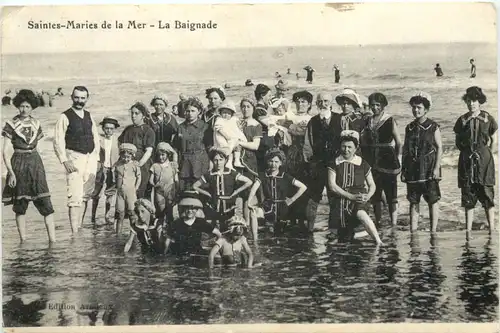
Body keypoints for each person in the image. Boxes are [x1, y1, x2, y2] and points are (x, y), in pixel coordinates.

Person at [2, 89, 56, 243]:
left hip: (35, 163)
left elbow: (38, 147)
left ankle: (53, 241)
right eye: (21, 106)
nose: (24, 109)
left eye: (27, 106)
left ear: (32, 107)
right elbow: (5, 151)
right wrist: (10, 173)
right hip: (18, 163)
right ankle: (23, 241)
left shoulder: (36, 123)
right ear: (17, 106)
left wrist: (39, 167)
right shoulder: (11, 124)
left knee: (45, 201)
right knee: (20, 204)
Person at [53, 86, 100, 233]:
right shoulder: (64, 116)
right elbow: (57, 140)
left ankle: (78, 227)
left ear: (87, 98)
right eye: (77, 97)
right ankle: (74, 233)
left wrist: (96, 159)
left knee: (86, 196)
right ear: (72, 97)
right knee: (74, 197)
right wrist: (64, 160)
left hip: (90, 159)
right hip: (74, 158)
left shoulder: (89, 115)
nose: (79, 101)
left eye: (82, 98)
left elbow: (96, 138)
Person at [327, 130, 384, 245]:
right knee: (338, 237)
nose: (346, 150)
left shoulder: (363, 163)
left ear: (356, 148)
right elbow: (332, 186)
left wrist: (367, 197)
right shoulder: (334, 163)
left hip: (358, 196)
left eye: (349, 147)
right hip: (340, 198)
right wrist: (350, 196)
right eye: (343, 146)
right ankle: (355, 233)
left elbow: (372, 185)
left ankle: (378, 241)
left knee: (361, 213)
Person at [453, 86, 497, 233]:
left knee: (487, 194)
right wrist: (467, 152)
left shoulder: (488, 118)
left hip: (485, 161)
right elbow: (458, 142)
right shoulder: (462, 120)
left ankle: (492, 229)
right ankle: (468, 231)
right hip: (466, 161)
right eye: (468, 100)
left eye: (474, 100)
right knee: (468, 195)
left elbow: (493, 140)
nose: (471, 103)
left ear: (479, 101)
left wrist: (486, 154)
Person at [401, 92, 443, 232]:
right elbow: (406, 149)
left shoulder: (433, 126)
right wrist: (403, 170)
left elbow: (439, 148)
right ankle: (413, 231)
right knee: (413, 201)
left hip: (429, 168)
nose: (416, 110)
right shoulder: (409, 127)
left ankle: (433, 231)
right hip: (412, 169)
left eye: (419, 107)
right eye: (413, 107)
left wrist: (436, 168)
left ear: (426, 109)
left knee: (432, 200)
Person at [361, 92, 402, 227]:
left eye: (378, 105)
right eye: (372, 105)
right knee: (376, 193)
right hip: (371, 159)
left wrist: (398, 158)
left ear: (383, 106)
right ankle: (378, 221)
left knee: (391, 194)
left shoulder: (389, 120)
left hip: (387, 159)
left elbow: (399, 142)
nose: (375, 108)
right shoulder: (368, 120)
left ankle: (394, 223)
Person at [303, 92, 342, 231]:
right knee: (313, 198)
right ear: (316, 104)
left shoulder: (340, 119)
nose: (323, 104)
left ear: (331, 103)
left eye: (326, 101)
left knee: (334, 198)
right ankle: (309, 230)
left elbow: (346, 142)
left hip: (335, 165)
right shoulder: (312, 121)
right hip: (318, 165)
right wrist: (310, 164)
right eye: (320, 101)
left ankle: (333, 230)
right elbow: (307, 145)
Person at [247, 148, 307, 235]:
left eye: (276, 162)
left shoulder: (285, 176)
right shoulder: (263, 175)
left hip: (282, 209)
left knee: (281, 235)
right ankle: (256, 241)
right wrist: (249, 202)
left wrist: (292, 199)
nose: (273, 164)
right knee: (264, 227)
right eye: (271, 161)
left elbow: (303, 187)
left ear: (281, 163)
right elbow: (254, 188)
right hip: (267, 207)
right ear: (267, 161)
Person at [193, 148, 252, 231]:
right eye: (215, 160)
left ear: (225, 160)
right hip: (214, 205)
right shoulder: (209, 174)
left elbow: (249, 182)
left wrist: (236, 192)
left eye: (221, 160)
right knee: (214, 227)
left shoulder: (231, 173)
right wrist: (208, 194)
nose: (218, 163)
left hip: (229, 205)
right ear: (212, 161)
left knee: (228, 227)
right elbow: (195, 186)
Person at [286, 90, 316, 230]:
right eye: (297, 101)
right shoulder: (289, 117)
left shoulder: (312, 119)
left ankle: (304, 220)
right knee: (291, 185)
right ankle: (292, 219)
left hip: (306, 155)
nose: (300, 104)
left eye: (303, 101)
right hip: (291, 154)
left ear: (309, 104)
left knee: (305, 185)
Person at [236, 98, 263, 239]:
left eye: (248, 106)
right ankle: (242, 230)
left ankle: (254, 234)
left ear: (253, 108)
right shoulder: (237, 122)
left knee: (249, 197)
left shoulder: (256, 125)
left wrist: (240, 142)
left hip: (250, 163)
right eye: (243, 106)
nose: (245, 109)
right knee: (239, 196)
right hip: (237, 163)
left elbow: (255, 145)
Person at [117, 102, 155, 199]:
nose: (133, 116)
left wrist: (139, 163)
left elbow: (149, 150)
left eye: (136, 113)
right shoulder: (128, 129)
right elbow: (119, 143)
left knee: (140, 192)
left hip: (142, 165)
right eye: (132, 113)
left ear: (143, 115)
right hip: (126, 163)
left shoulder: (148, 130)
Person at [87, 117, 120, 224]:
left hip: (112, 168)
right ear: (103, 128)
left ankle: (106, 215)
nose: (109, 131)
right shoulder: (98, 140)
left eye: (111, 129)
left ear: (114, 129)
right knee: (96, 193)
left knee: (110, 193)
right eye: (107, 128)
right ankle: (93, 215)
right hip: (100, 168)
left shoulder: (117, 140)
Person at [174, 97, 211, 191]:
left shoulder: (205, 127)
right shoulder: (180, 127)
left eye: (193, 111)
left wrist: (211, 164)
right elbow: (176, 147)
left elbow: (209, 147)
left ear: (199, 112)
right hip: (184, 165)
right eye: (187, 111)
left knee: (201, 192)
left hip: (200, 164)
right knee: (184, 192)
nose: (190, 113)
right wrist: (175, 164)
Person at [114, 143, 142, 234]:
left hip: (131, 192)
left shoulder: (135, 165)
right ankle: (118, 234)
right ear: (120, 155)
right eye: (124, 157)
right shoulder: (118, 165)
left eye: (128, 157)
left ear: (132, 156)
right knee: (120, 214)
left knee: (132, 212)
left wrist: (136, 188)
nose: (125, 159)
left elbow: (139, 177)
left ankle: (133, 233)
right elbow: (115, 176)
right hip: (120, 193)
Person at [212, 100, 247, 169]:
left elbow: (236, 129)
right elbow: (220, 130)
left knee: (237, 146)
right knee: (228, 149)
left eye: (228, 113)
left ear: (231, 114)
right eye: (224, 113)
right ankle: (229, 162)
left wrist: (238, 132)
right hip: (222, 139)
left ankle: (237, 160)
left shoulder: (232, 120)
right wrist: (228, 137)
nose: (226, 115)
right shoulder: (219, 120)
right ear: (220, 113)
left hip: (231, 138)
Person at [149, 142, 178, 223]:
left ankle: (170, 229)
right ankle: (160, 228)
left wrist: (176, 191)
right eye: (159, 155)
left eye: (163, 155)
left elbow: (176, 179)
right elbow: (151, 180)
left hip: (170, 191)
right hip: (159, 192)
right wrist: (154, 185)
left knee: (169, 210)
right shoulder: (155, 166)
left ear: (168, 155)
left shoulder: (172, 165)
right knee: (161, 210)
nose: (160, 157)